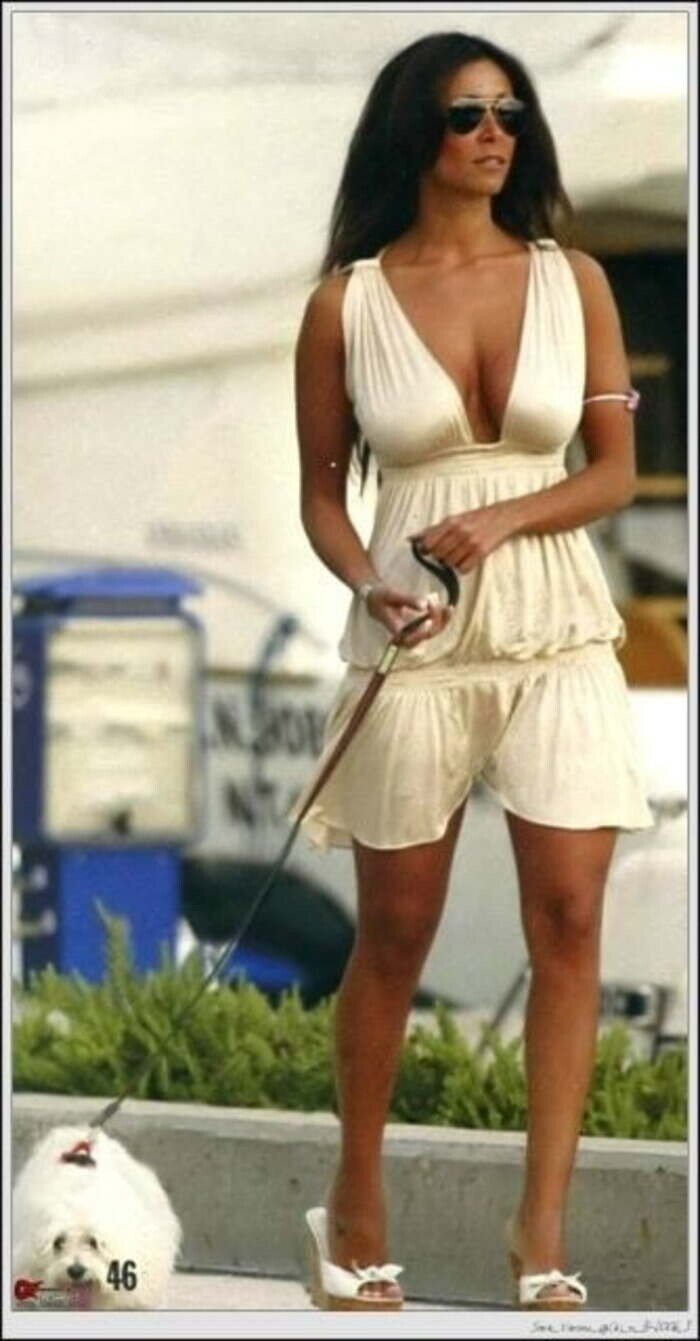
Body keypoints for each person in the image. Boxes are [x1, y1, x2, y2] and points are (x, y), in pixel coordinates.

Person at [287, 30, 654, 1311]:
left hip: (557, 631)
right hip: (416, 636)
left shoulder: (574, 279)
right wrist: (365, 580)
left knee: (569, 920)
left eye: (509, 113)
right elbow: (321, 496)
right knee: (395, 932)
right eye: (465, 116)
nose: (494, 134)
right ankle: (353, 1205)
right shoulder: (345, 302)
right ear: (415, 133)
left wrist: (502, 518)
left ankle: (540, 1235)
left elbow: (611, 473)